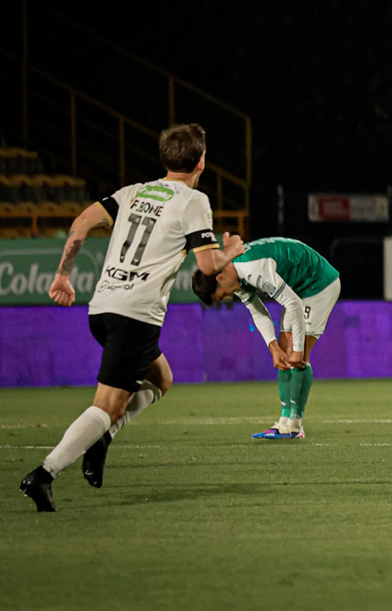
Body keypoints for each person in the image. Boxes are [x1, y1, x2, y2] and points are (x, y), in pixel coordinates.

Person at [20, 123, 245, 511]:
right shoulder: (194, 201)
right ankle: (43, 475)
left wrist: (63, 275)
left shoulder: (133, 192)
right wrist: (231, 251)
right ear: (201, 162)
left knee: (161, 378)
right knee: (106, 406)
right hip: (135, 316)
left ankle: (102, 437)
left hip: (102, 308)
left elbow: (80, 225)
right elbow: (208, 267)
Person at [192, 236, 340, 439]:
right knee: (284, 354)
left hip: (319, 283)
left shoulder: (252, 269)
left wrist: (298, 349)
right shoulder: (235, 275)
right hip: (298, 288)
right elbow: (258, 312)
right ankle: (284, 422)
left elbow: (294, 304)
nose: (227, 297)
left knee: (298, 355)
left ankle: (295, 425)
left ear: (220, 279)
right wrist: (273, 348)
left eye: (222, 295)